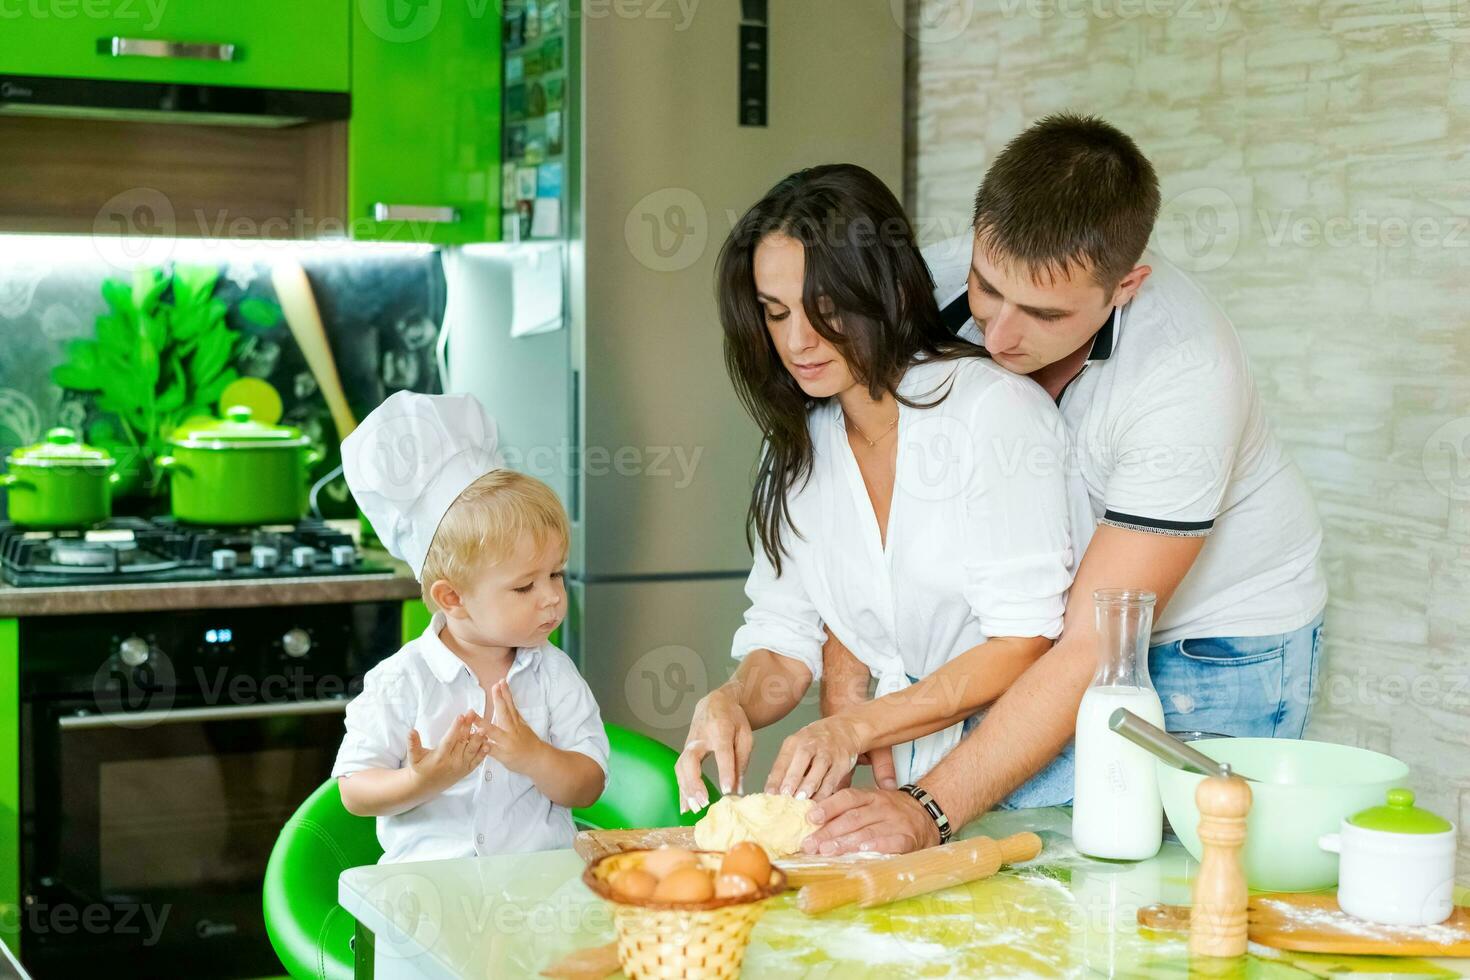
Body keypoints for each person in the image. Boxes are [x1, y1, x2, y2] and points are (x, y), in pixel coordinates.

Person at [799, 113, 1327, 856]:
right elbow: (858, 501)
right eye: (989, 288)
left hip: (1213, 642)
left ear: (1126, 286)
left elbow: (1088, 643)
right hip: (1056, 629)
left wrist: (928, 808)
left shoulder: (1184, 374)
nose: (1001, 332)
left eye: (1044, 313)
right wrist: (855, 705)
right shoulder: (930, 286)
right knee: (1007, 854)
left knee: (1147, 884)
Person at [674, 163, 1086, 821]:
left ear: (890, 291)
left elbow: (1023, 641)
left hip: (1027, 769)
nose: (797, 341)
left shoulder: (992, 414)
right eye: (776, 313)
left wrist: (861, 727)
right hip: (910, 771)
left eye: (826, 311)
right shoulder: (798, 444)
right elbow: (786, 636)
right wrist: (733, 699)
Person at [332, 391, 607, 863]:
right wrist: (423, 781)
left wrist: (534, 756)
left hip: (535, 901)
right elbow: (355, 790)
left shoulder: (555, 675)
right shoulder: (402, 680)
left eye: (556, 574)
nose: (552, 597)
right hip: (426, 903)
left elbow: (589, 785)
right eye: (525, 587)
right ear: (452, 598)